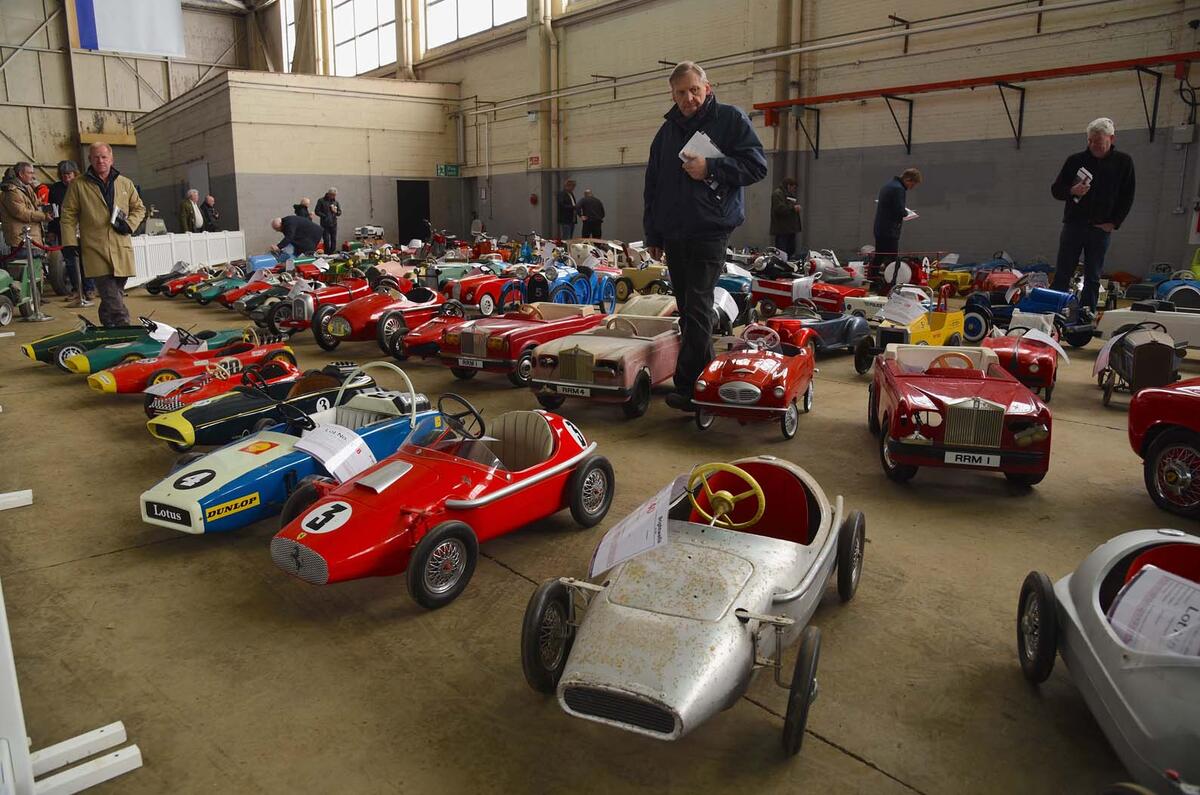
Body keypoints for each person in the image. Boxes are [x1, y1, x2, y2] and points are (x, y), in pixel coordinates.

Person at [643, 61, 767, 410]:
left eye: (694, 90)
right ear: (672, 94)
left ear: (707, 88)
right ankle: (706, 375)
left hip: (711, 228)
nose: (689, 98)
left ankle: (689, 387)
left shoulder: (729, 120)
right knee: (688, 308)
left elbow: (757, 165)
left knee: (697, 304)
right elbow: (653, 186)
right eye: (681, 92)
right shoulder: (665, 134)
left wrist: (711, 167)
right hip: (674, 233)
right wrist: (654, 233)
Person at [1049, 117, 1136, 310]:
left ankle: (1086, 315)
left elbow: (1127, 197)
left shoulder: (1124, 162)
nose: (1093, 145)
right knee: (1063, 273)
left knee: (1093, 277)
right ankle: (1053, 312)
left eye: (1098, 141)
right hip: (1073, 226)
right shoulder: (1075, 160)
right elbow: (1056, 190)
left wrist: (1114, 223)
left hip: (1100, 229)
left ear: (1111, 139)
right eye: (1089, 140)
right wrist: (1072, 191)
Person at [60, 142, 146, 327]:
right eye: (96, 157)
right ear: (90, 159)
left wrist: (129, 225)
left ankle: (107, 326)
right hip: (94, 247)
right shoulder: (78, 185)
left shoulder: (125, 183)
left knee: (115, 293)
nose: (100, 160)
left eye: (104, 156)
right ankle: (124, 328)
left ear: (111, 159)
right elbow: (68, 215)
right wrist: (69, 242)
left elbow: (139, 208)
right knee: (110, 293)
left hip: (120, 246)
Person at [48, 160, 94, 306]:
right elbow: (53, 212)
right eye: (63, 175)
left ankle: (89, 288)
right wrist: (51, 230)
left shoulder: (83, 185)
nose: (66, 178)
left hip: (84, 228)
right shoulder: (55, 189)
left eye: (69, 174)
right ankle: (76, 289)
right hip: (64, 228)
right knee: (70, 262)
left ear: (75, 173)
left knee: (86, 259)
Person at [1, 162, 52, 288]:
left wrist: (42, 205)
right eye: (30, 173)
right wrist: (44, 216)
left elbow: (33, 203)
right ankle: (29, 299)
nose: (32, 176)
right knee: (24, 273)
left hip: (32, 238)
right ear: (21, 174)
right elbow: (21, 213)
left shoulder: (26, 188)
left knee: (35, 269)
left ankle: (36, 296)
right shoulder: (11, 192)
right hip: (20, 240)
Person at [871, 167, 921, 289]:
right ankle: (890, 284)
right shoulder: (899, 189)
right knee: (892, 259)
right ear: (908, 179)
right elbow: (899, 210)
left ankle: (873, 281)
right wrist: (906, 213)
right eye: (912, 184)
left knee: (879, 255)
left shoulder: (888, 185)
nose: (912, 187)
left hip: (880, 228)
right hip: (890, 230)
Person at [768, 177, 802, 258]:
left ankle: (788, 264)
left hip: (790, 229)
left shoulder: (788, 194)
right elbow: (779, 209)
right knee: (781, 251)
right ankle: (780, 266)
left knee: (791, 249)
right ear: (788, 186)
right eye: (793, 188)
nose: (794, 190)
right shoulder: (778, 194)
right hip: (782, 229)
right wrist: (793, 208)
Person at [314, 188, 340, 253]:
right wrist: (324, 216)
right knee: (326, 239)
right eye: (332, 195)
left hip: (334, 223)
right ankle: (327, 253)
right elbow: (317, 211)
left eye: (335, 195)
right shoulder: (321, 200)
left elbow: (339, 212)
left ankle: (332, 252)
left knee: (333, 239)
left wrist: (336, 212)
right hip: (324, 224)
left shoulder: (336, 202)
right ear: (328, 194)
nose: (334, 196)